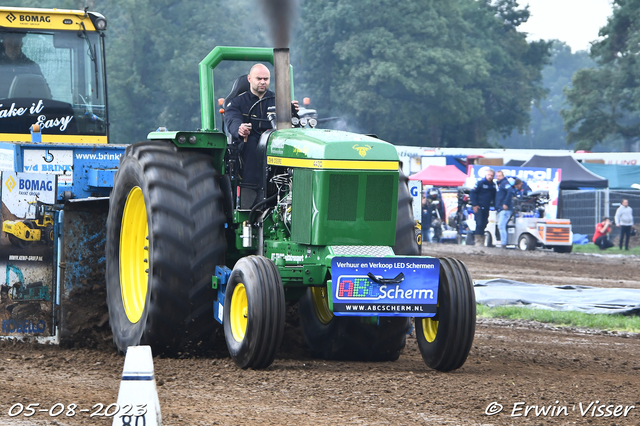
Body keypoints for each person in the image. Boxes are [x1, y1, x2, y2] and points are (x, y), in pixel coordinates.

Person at [224, 63, 298, 186]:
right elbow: (232, 120)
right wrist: (240, 129)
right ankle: (252, 189)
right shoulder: (237, 102)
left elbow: (294, 124)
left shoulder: (279, 101)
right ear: (249, 79)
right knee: (252, 144)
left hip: (275, 141)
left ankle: (290, 185)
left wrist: (293, 112)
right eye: (259, 79)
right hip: (250, 142)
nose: (262, 82)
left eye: (266, 79)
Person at [0, 32, 46, 98]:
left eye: (16, 43)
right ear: (4, 43)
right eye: (10, 43)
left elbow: (44, 93)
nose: (13, 46)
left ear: (21, 44)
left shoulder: (32, 67)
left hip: (28, 106)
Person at [470, 168, 496, 245]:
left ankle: (482, 240)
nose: (490, 177)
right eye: (489, 175)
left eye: (492, 175)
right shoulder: (480, 183)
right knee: (479, 223)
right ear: (486, 175)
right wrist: (474, 204)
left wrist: (495, 205)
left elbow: (494, 196)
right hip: (479, 207)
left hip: (486, 207)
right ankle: (478, 242)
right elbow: (472, 193)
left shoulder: (493, 185)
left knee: (484, 223)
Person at [494, 170, 512, 248]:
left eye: (499, 176)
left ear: (503, 176)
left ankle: (503, 243)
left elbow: (510, 192)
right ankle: (503, 242)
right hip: (500, 208)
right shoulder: (499, 184)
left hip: (504, 209)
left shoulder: (505, 183)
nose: (498, 177)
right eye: (497, 176)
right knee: (501, 226)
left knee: (501, 226)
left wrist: (505, 203)